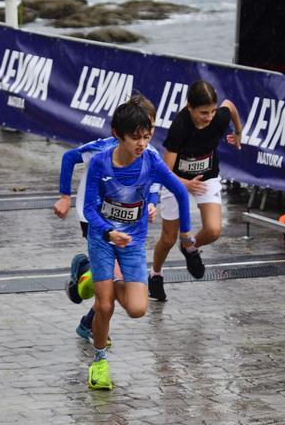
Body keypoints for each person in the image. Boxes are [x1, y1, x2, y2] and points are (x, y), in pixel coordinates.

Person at [81, 100, 194, 390]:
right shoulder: (100, 162)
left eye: (147, 137)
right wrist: (108, 232)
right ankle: (99, 362)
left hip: (133, 242)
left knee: (137, 309)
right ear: (118, 134)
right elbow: (90, 209)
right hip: (103, 239)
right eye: (136, 138)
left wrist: (186, 234)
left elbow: (181, 193)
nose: (142, 143)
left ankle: (94, 276)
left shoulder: (151, 160)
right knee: (104, 306)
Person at [53, 94, 160, 345]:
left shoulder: (148, 150)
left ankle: (88, 318)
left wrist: (153, 203)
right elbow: (69, 158)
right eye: (140, 131)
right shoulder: (103, 148)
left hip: (128, 224)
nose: (146, 136)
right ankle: (88, 288)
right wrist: (64, 197)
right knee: (113, 279)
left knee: (115, 282)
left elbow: (153, 181)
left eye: (151, 129)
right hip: (94, 219)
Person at [148, 80, 244, 301]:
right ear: (190, 107)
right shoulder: (180, 126)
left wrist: (238, 132)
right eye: (203, 113)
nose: (209, 117)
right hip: (176, 181)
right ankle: (155, 274)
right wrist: (186, 184)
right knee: (168, 238)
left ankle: (190, 246)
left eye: (211, 111)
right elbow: (165, 171)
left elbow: (230, 106)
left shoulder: (219, 117)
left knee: (213, 230)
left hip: (207, 176)